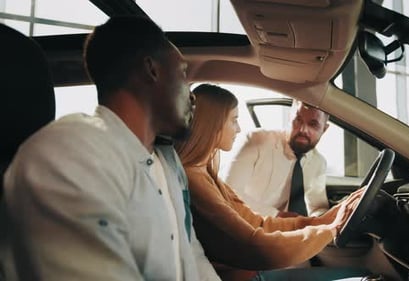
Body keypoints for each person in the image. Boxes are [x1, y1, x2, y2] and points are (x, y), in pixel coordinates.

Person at [3, 16, 219, 281]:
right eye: (184, 73)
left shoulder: (168, 162)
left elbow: (190, 252)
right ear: (152, 70)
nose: (192, 94)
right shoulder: (70, 153)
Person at [176, 84, 367, 281]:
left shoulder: (206, 173)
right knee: (363, 276)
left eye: (313, 125)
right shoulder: (196, 179)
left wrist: (326, 218)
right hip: (250, 272)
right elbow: (255, 246)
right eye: (234, 120)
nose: (239, 128)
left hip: (254, 269)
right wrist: (330, 229)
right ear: (213, 124)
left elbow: (258, 223)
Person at [223, 99, 330, 218]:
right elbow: (229, 192)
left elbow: (317, 207)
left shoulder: (318, 162)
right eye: (298, 120)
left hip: (280, 230)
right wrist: (277, 215)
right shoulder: (256, 140)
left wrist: (320, 221)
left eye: (313, 124)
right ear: (290, 117)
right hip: (242, 222)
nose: (303, 130)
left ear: (324, 129)